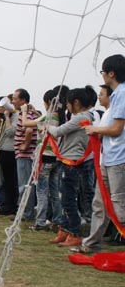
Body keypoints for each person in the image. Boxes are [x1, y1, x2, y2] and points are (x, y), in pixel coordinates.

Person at [76, 54, 125, 253]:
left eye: (103, 72)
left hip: (118, 159)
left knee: (119, 205)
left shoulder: (121, 93)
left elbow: (117, 129)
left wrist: (95, 130)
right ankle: (91, 243)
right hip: (108, 159)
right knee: (100, 203)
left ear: (111, 73)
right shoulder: (116, 97)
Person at [48, 86, 96, 247]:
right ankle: (65, 229)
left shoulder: (81, 118)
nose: (67, 106)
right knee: (64, 197)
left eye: (68, 103)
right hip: (68, 160)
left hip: (72, 162)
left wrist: (46, 125)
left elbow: (58, 131)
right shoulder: (81, 117)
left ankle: (75, 232)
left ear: (76, 102)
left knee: (68, 199)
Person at [21, 89, 65, 231]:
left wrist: (24, 111)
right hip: (55, 157)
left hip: (43, 157)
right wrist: (36, 112)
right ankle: (57, 219)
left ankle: (40, 222)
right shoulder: (60, 117)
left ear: (49, 102)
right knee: (54, 192)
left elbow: (26, 123)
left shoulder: (48, 117)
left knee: (41, 191)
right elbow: (42, 121)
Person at [13, 88, 39, 220]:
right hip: (25, 154)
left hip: (25, 155)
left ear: (23, 100)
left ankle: (26, 213)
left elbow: (29, 130)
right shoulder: (30, 113)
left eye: (15, 99)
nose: (13, 101)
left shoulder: (26, 114)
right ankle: (25, 211)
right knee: (25, 184)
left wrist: (24, 145)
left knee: (24, 185)